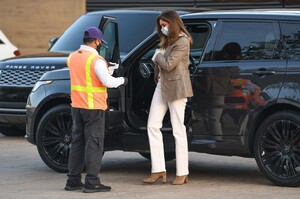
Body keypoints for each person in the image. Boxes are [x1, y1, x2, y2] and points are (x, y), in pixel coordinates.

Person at [65, 26, 127, 193]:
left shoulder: (73, 57)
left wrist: (109, 69)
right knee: (94, 144)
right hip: (93, 108)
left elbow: (88, 76)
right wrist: (122, 80)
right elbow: (107, 82)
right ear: (97, 41)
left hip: (77, 106)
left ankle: (73, 180)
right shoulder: (96, 60)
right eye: (100, 42)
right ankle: (92, 182)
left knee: (77, 142)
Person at [143, 10, 193, 185]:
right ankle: (158, 169)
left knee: (178, 130)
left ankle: (182, 172)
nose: (162, 28)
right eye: (160, 26)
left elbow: (169, 64)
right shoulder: (168, 40)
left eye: (164, 25)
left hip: (177, 88)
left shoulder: (182, 41)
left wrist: (157, 55)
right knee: (152, 126)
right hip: (162, 86)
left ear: (173, 23)